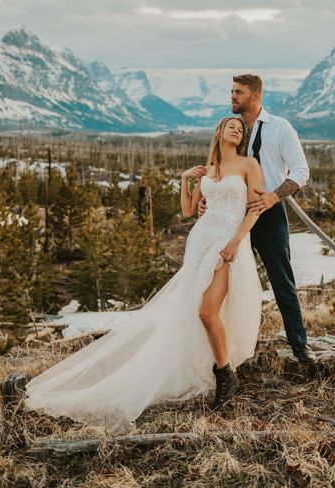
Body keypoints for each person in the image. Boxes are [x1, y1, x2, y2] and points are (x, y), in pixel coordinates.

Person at [24, 117, 263, 430]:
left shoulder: (248, 164)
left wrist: (235, 241)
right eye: (229, 125)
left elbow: (256, 207)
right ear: (219, 132)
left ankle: (225, 375)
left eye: (240, 128)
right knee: (196, 311)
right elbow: (189, 211)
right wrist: (184, 181)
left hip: (229, 244)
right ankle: (221, 370)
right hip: (202, 243)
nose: (236, 129)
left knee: (207, 312)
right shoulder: (208, 169)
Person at [207, 74, 316, 365]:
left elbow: (300, 171)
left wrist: (273, 196)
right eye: (231, 91)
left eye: (238, 92)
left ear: (255, 96)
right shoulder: (235, 130)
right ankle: (237, 350)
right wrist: (212, 196)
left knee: (282, 281)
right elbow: (223, 167)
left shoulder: (280, 128)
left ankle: (299, 345)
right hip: (234, 217)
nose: (232, 96)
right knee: (233, 283)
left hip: (268, 214)